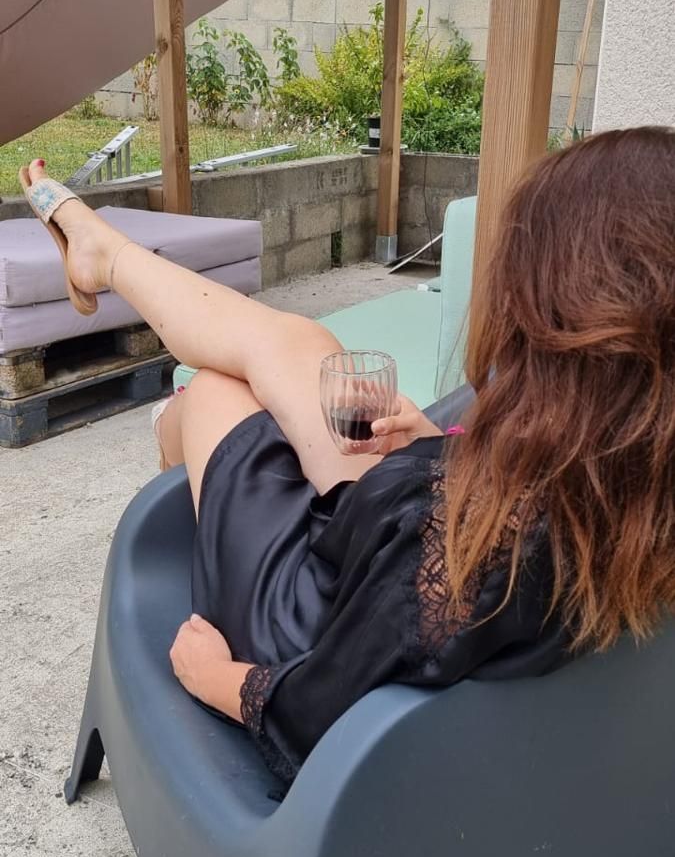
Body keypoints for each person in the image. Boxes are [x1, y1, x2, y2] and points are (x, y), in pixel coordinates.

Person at [20, 128, 675, 787]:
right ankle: (107, 257)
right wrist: (436, 448)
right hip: (386, 540)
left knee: (214, 391)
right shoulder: (629, 469)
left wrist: (217, 678)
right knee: (302, 346)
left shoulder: (478, 564)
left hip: (305, 622)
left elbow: (323, 713)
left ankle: (175, 449)